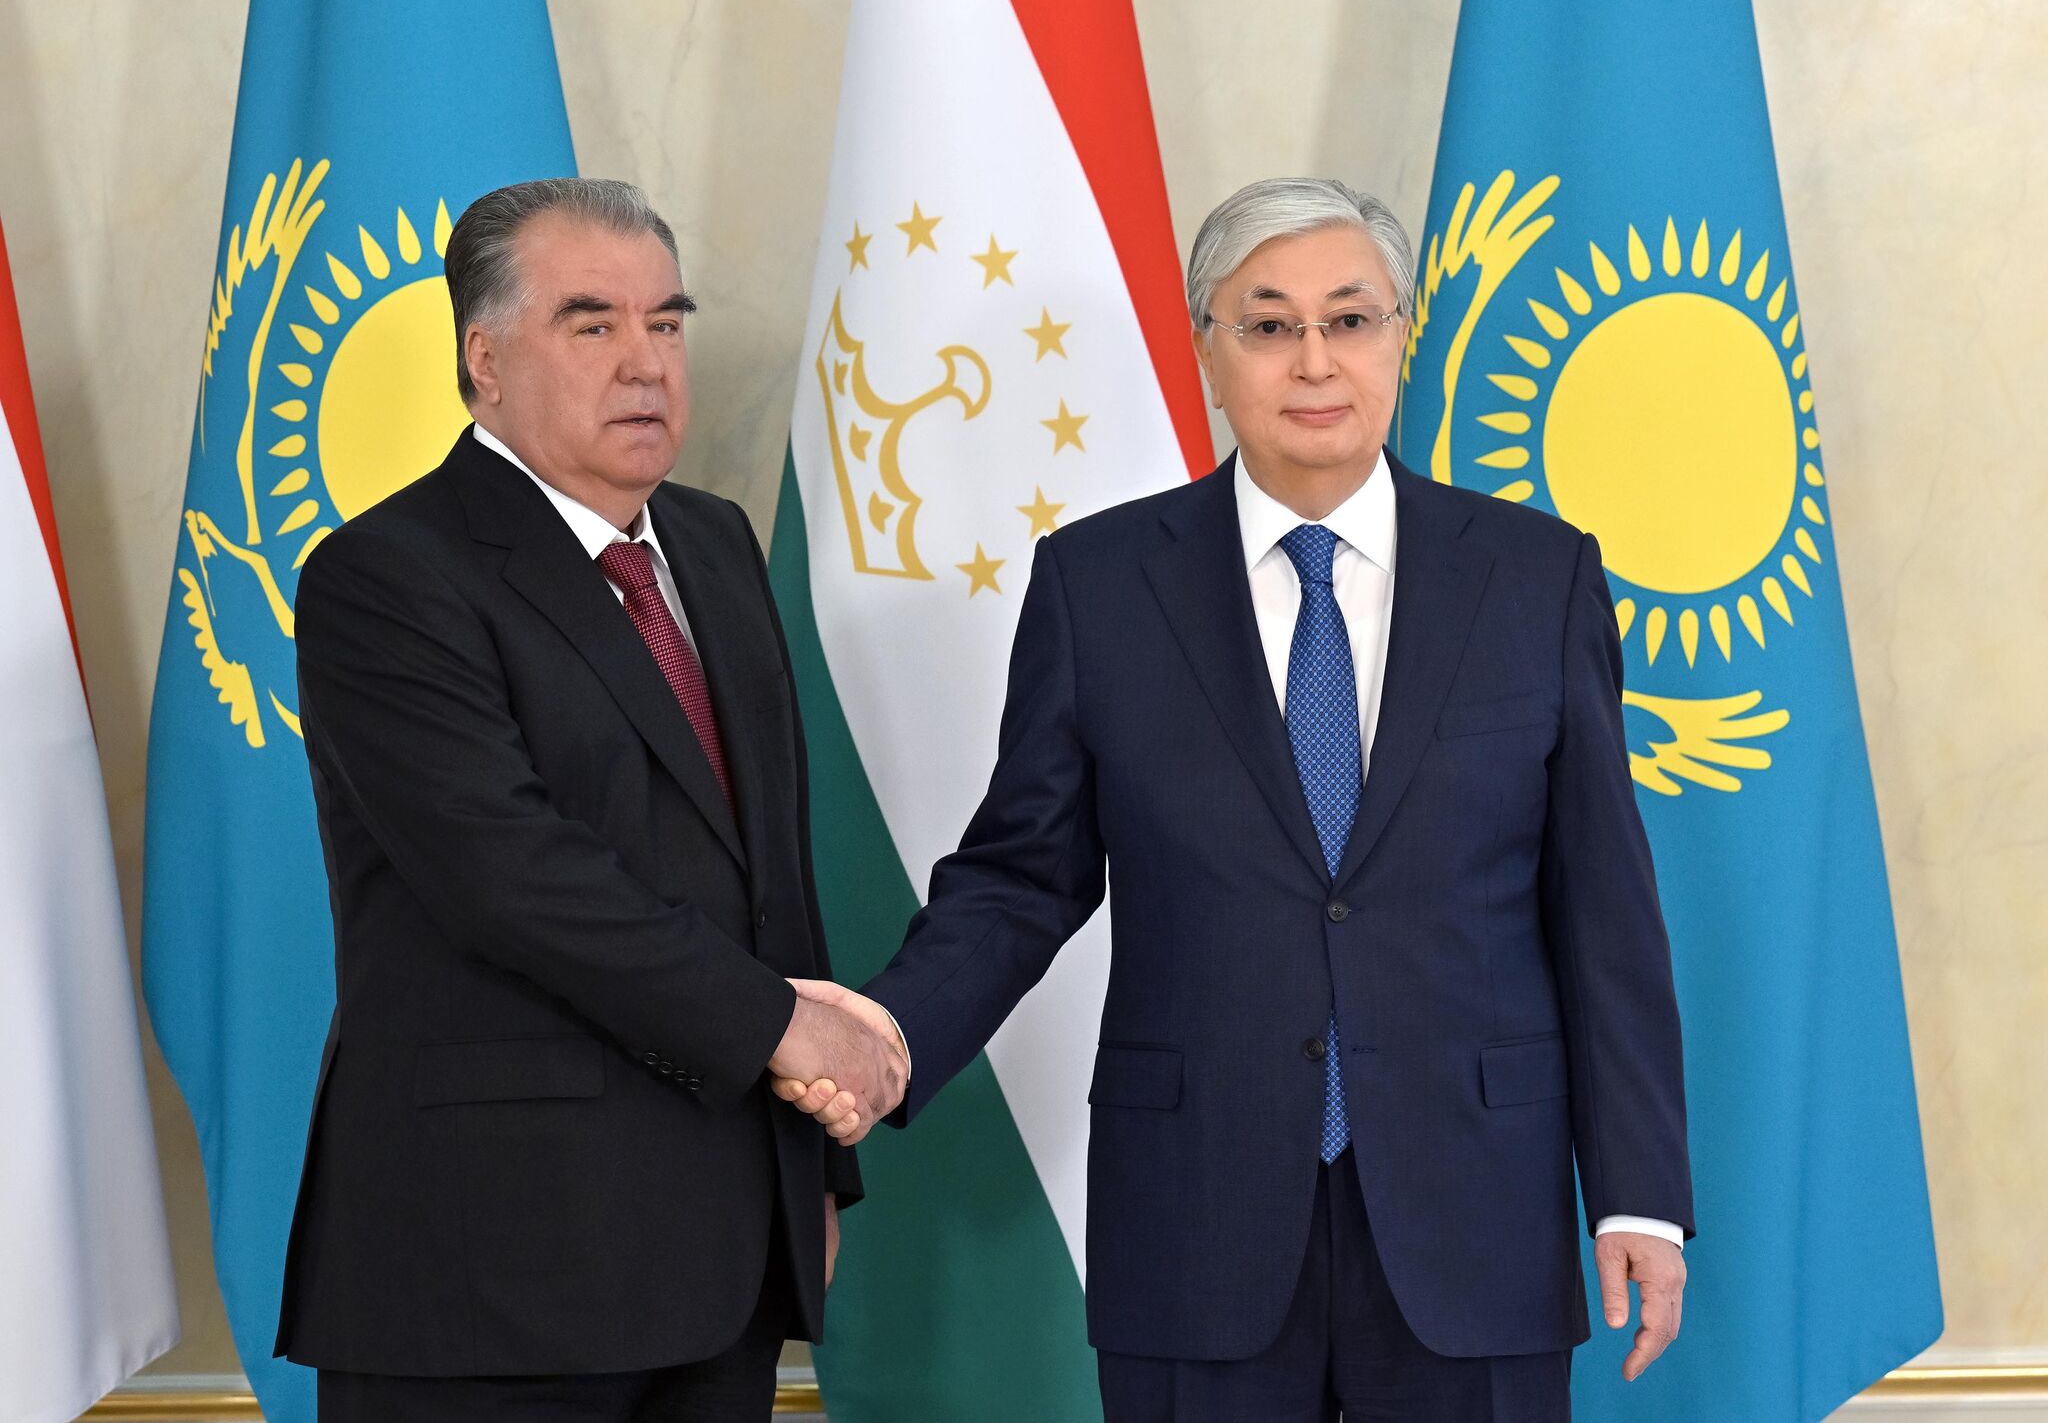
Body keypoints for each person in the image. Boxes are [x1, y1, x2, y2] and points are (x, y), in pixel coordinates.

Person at [777, 177, 1692, 1422]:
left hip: (1472, 1208)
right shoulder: (1100, 583)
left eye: (1349, 319)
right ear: (1208, 350)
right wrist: (893, 1033)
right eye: (1267, 325)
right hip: (1194, 1211)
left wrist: (1637, 1192)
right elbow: (1022, 875)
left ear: (1400, 339)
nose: (1312, 359)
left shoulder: (1536, 576)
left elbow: (1601, 909)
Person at [275, 177, 905, 1423]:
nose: (643, 363)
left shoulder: (714, 545)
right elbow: (515, 879)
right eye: (590, 323)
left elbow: (769, 876)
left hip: (724, 1256)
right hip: (491, 1268)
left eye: (665, 323)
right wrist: (785, 1028)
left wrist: (813, 1175)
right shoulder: (385, 576)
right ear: (484, 358)